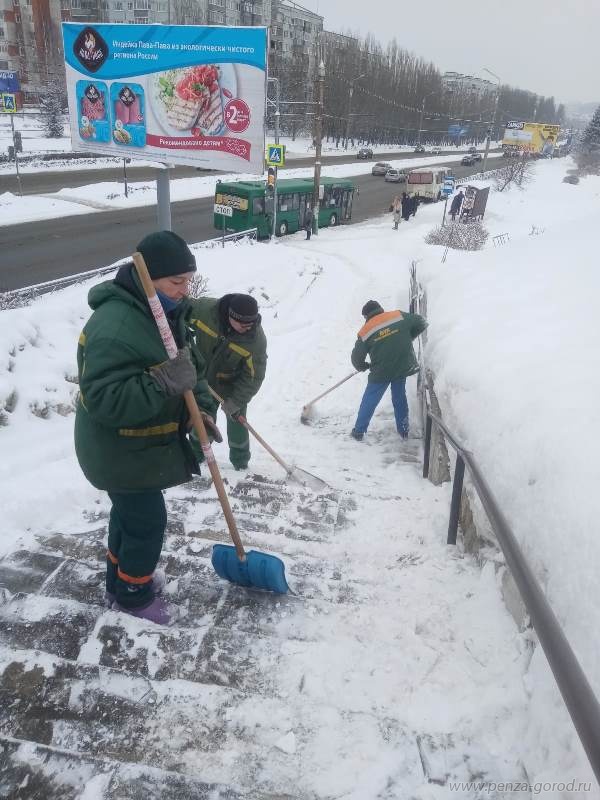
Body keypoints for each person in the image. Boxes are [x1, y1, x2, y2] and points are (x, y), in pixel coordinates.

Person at [74, 230, 221, 625]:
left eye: (188, 280)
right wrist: (161, 382)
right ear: (147, 278)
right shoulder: (116, 326)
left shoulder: (164, 313)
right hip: (117, 451)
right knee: (147, 523)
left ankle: (118, 582)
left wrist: (200, 412)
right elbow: (105, 400)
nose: (185, 289)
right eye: (177, 281)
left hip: (136, 451)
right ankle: (134, 597)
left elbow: (188, 371)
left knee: (128, 518)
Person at [187, 293, 267, 471]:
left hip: (233, 385)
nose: (247, 328)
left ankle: (240, 462)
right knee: (202, 421)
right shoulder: (206, 312)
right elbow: (178, 314)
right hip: (203, 381)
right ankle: (195, 455)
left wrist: (237, 400)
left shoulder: (255, 340)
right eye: (242, 324)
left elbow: (254, 376)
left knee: (237, 423)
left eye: (251, 324)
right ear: (231, 316)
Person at [350, 300, 427, 441]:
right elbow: (421, 322)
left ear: (366, 316)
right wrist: (407, 337)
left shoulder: (365, 330)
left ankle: (358, 431)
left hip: (381, 370)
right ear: (380, 309)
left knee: (370, 399)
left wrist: (363, 366)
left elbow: (356, 358)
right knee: (399, 397)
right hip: (401, 365)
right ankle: (404, 431)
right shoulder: (397, 315)